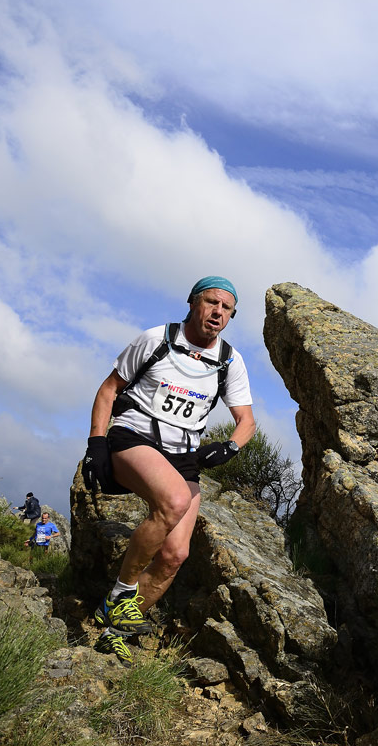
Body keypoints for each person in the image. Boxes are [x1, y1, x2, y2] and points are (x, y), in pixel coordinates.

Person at [81, 277, 254, 666]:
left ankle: (115, 633)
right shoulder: (156, 339)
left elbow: (246, 420)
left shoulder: (229, 360)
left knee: (176, 553)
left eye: (226, 308)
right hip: (134, 438)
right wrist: (95, 443)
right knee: (174, 500)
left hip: (184, 455)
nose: (218, 313)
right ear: (193, 303)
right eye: (211, 303)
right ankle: (119, 594)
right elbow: (109, 389)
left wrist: (229, 447)